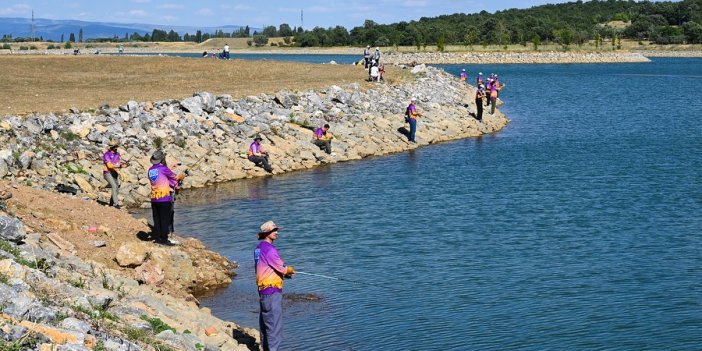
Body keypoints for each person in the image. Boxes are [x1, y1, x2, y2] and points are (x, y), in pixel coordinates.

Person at [255, 220, 295, 351]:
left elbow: (268, 268)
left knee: (265, 325)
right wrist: (290, 270)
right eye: (274, 230)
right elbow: (282, 268)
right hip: (272, 293)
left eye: (276, 230)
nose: (277, 233)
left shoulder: (258, 248)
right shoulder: (270, 249)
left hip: (263, 292)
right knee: (274, 327)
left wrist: (284, 274)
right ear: (267, 233)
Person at [147, 150, 185, 245]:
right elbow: (174, 177)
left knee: (157, 218)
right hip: (164, 198)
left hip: (154, 198)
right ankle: (164, 239)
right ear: (162, 159)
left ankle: (158, 238)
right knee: (165, 219)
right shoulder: (163, 169)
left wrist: (171, 167)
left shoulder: (150, 170)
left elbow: (162, 176)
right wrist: (182, 176)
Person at [102, 139, 124, 208]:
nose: (117, 148)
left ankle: (111, 202)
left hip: (114, 173)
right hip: (107, 173)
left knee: (117, 187)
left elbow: (118, 164)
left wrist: (121, 166)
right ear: (112, 147)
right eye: (116, 147)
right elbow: (109, 165)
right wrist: (118, 165)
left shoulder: (117, 155)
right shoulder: (106, 155)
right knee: (114, 186)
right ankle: (116, 204)